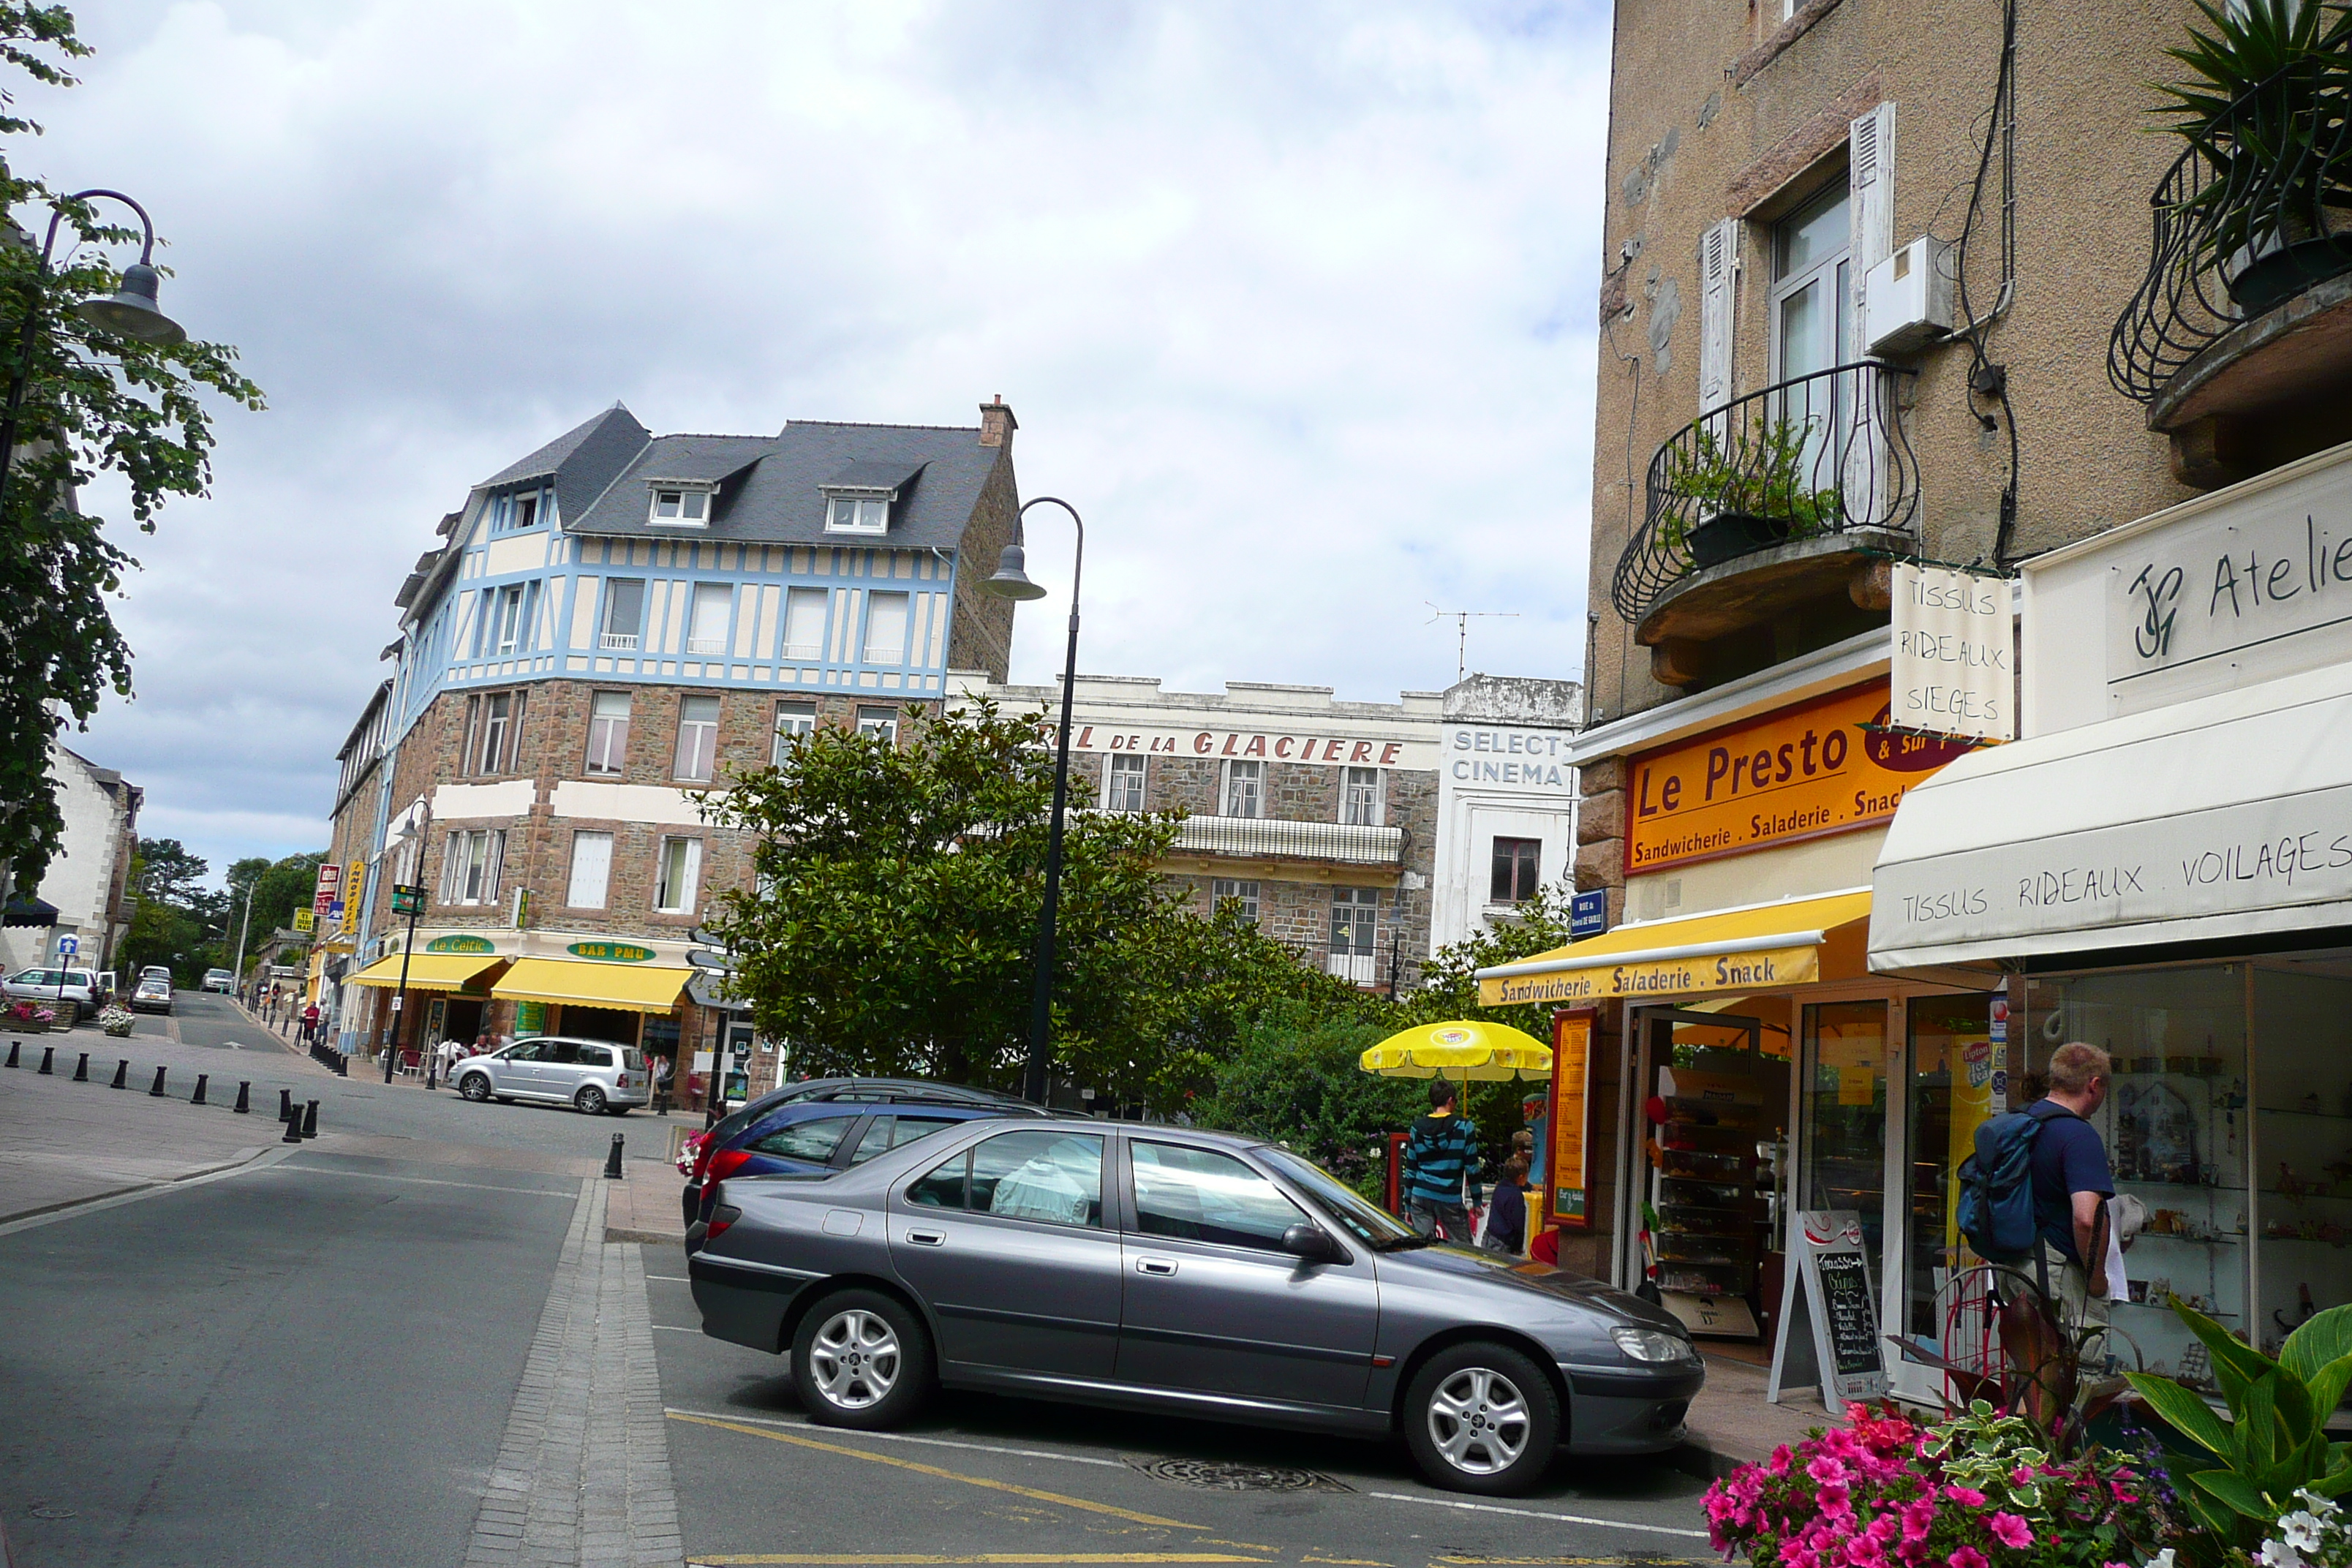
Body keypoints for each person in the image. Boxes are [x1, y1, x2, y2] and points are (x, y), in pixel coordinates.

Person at [2029, 1041, 2116, 1325]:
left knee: (2032, 1366)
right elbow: (2087, 1218)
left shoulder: (2024, 1121)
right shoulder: (2079, 1135)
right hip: (2058, 1275)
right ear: (2094, 1084)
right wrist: (2097, 1279)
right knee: (2075, 1367)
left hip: (2019, 1268)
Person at [1402, 1079, 1482, 1241]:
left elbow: (1411, 1169)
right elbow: (1472, 1168)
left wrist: (1408, 1205)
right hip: (1449, 1197)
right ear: (1450, 1100)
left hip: (1421, 1194)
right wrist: (1477, 1201)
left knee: (1424, 1248)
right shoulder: (1464, 1127)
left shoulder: (1416, 1128)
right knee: (1463, 1250)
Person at [1485, 1153, 1530, 1254]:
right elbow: (1518, 1224)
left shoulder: (1500, 1187)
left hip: (1490, 1235)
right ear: (1521, 1177)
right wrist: (1518, 1247)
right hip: (1504, 1241)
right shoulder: (1516, 1196)